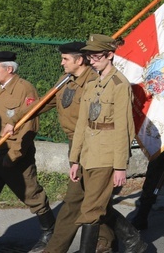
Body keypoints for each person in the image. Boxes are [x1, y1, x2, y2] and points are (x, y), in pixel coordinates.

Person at [1, 42, 115, 253]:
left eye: (65, 59)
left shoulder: (95, 82)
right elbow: (42, 103)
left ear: (79, 60)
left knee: (74, 201)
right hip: (75, 145)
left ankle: (54, 249)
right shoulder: (66, 81)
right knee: (92, 198)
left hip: (91, 145)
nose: (61, 62)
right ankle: (118, 239)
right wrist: (15, 120)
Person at [68, 34, 146, 253]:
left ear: (110, 55)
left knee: (91, 208)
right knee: (98, 204)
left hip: (107, 154)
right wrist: (74, 159)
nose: (92, 60)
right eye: (89, 56)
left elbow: (124, 127)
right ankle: (133, 241)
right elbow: (83, 122)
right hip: (88, 153)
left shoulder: (120, 85)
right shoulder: (92, 82)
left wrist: (120, 166)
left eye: (96, 56)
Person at [0, 51, 55, 251]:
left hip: (16, 155)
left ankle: (51, 233)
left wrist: (13, 156)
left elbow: (29, 126)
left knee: (32, 196)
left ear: (9, 69)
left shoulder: (24, 89)